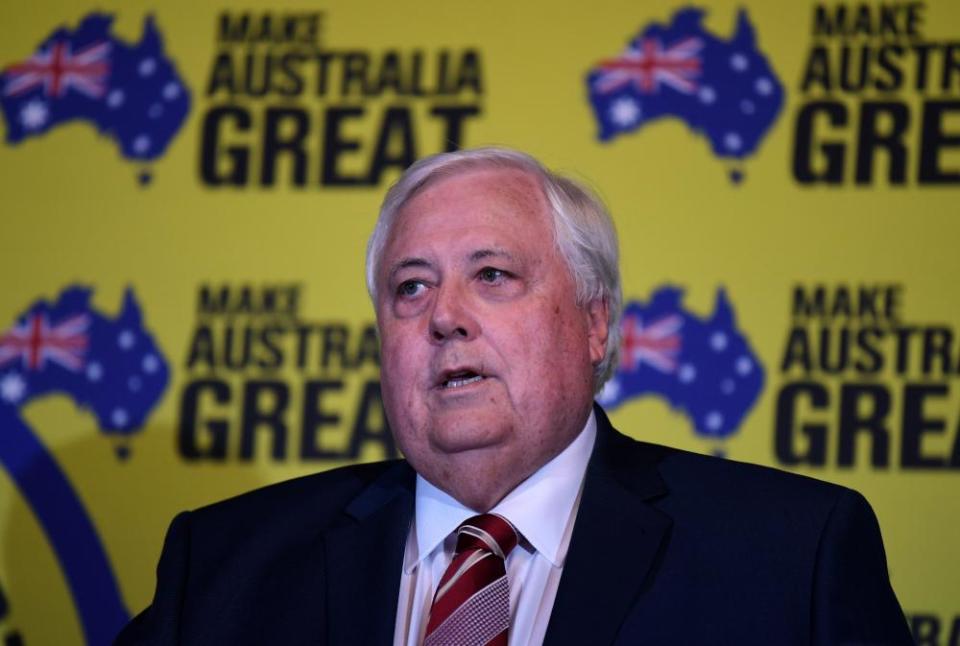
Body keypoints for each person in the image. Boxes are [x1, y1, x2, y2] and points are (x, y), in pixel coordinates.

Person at [116, 147, 913, 645]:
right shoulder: (223, 567)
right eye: (410, 287)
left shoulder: (790, 558)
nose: (445, 318)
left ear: (594, 324)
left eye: (492, 276)